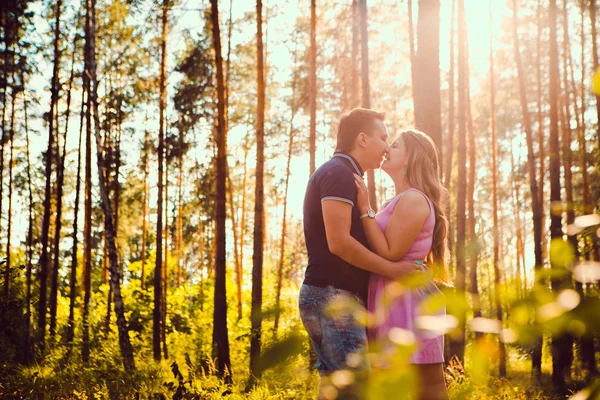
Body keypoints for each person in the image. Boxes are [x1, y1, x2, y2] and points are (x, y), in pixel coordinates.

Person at [299, 109, 421, 400]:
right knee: (357, 390)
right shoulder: (338, 173)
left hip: (329, 297)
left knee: (336, 390)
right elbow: (339, 243)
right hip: (332, 297)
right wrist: (392, 271)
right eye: (383, 138)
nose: (386, 147)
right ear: (362, 139)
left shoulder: (346, 175)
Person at [354, 129, 451, 400]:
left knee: (429, 383)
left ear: (411, 158)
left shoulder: (414, 198)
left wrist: (365, 208)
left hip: (409, 296)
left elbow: (391, 251)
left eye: (394, 146)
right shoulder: (396, 200)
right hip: (391, 291)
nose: (386, 149)